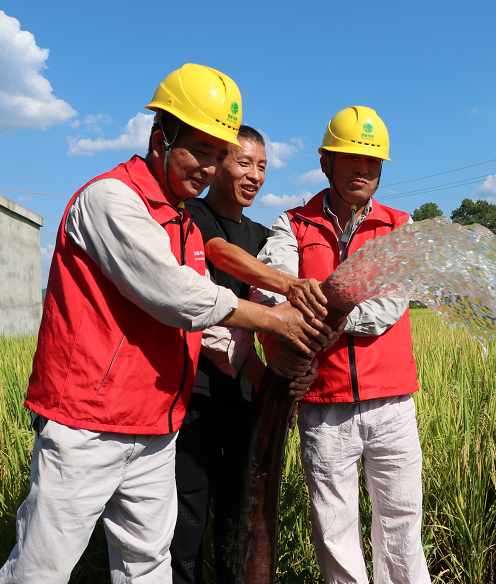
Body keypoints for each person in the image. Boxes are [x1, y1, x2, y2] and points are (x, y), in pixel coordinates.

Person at [0, 64, 332, 584]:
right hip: (88, 423)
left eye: (219, 154)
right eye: (199, 150)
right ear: (160, 139)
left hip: (156, 425)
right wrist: (275, 317)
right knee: (42, 567)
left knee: (147, 566)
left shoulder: (180, 221)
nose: (209, 166)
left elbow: (211, 330)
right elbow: (175, 294)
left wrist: (270, 378)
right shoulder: (111, 200)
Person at [252, 106, 430, 584]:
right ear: (325, 161)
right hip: (322, 404)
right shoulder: (293, 225)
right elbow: (272, 292)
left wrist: (331, 311)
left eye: (373, 162)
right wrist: (301, 307)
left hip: (391, 402)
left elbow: (390, 304)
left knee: (402, 524)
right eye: (351, 158)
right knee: (334, 529)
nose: (363, 170)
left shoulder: (399, 226)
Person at [169, 125, 321, 584]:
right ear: (216, 166)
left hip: (246, 396)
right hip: (194, 393)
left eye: (262, 166)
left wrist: (294, 370)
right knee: (186, 515)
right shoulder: (190, 218)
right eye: (242, 162)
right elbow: (217, 263)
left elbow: (279, 311)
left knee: (240, 514)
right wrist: (258, 369)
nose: (254, 175)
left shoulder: (261, 233)